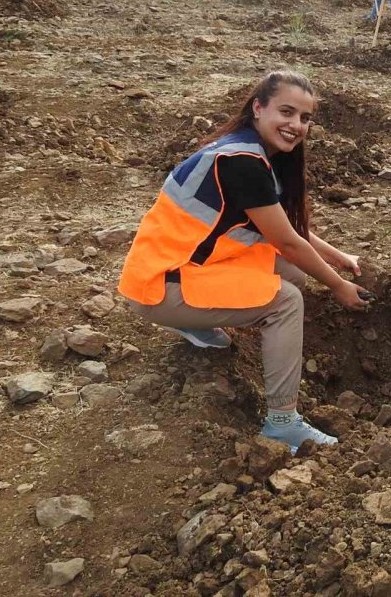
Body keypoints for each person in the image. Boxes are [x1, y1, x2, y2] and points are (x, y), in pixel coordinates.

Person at [118, 71, 370, 453]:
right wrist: (338, 286)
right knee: (286, 302)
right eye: (286, 112)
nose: (296, 125)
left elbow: (286, 228)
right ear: (258, 107)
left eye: (304, 118)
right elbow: (287, 239)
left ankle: (197, 325)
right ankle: (283, 424)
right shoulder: (242, 162)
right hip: (160, 286)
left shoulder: (245, 149)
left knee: (291, 272)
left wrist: (338, 257)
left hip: (170, 269)